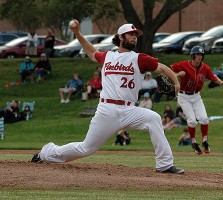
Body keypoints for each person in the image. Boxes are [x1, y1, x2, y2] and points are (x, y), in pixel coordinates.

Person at [31, 20, 184, 174]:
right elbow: (91, 51)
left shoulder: (139, 58)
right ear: (120, 37)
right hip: (107, 110)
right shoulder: (107, 56)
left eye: (136, 35)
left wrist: (176, 83)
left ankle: (164, 164)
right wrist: (77, 33)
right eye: (131, 34)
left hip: (129, 110)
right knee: (86, 148)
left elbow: (163, 68)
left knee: (154, 118)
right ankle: (46, 153)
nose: (134, 37)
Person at [170, 46, 223, 155]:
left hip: (196, 96)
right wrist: (177, 74)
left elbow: (213, 77)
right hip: (183, 96)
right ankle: (193, 142)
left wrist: (221, 82)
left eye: (201, 55)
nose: (199, 57)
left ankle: (205, 141)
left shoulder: (205, 68)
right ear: (192, 56)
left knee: (204, 119)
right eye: (197, 54)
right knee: (192, 121)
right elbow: (169, 70)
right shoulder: (184, 64)